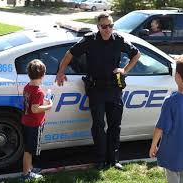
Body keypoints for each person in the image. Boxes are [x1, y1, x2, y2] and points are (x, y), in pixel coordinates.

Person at [55, 12, 141, 170]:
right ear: (98, 27)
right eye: (104, 26)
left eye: (111, 26)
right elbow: (70, 54)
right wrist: (61, 72)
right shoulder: (90, 40)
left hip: (114, 88)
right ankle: (100, 160)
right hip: (96, 89)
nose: (108, 29)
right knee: (99, 125)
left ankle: (113, 159)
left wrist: (125, 70)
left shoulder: (119, 40)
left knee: (115, 125)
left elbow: (136, 54)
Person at [149, 54, 183, 183]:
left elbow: (160, 126)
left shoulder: (171, 101)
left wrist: (153, 146)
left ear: (178, 76)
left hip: (171, 151)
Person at [21, 59, 53, 180]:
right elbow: (35, 109)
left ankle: (29, 168)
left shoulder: (27, 87)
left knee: (27, 148)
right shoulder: (38, 91)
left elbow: (32, 105)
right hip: (34, 124)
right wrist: (49, 105)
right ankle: (26, 174)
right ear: (43, 75)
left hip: (26, 120)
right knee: (29, 150)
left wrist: (43, 101)